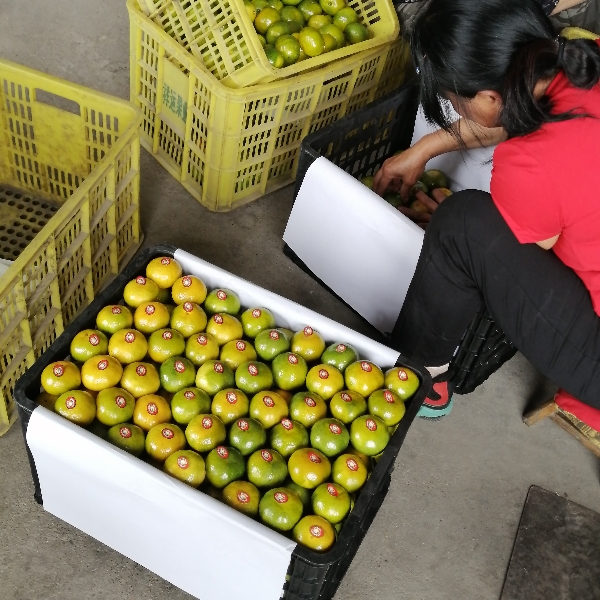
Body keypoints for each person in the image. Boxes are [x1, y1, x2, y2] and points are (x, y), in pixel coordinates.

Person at [374, 0, 600, 423]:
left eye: (456, 104)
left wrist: (474, 241)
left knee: (463, 224)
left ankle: (424, 379)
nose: (457, 112)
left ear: (490, 96)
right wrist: (425, 148)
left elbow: (539, 251)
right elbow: (514, 108)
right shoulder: (587, 59)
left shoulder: (528, 163)